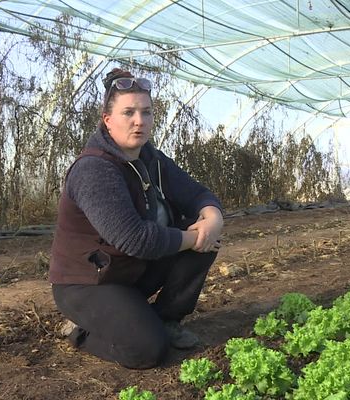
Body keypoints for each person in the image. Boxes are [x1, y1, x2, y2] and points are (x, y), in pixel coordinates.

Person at [48, 68, 224, 369]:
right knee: (146, 350)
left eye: (146, 112)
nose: (139, 121)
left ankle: (166, 319)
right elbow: (135, 239)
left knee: (206, 236)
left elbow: (195, 193)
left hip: (130, 271)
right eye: (128, 112)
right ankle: (83, 333)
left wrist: (212, 217)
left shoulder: (149, 158)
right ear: (107, 120)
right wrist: (196, 237)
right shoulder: (94, 169)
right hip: (89, 283)